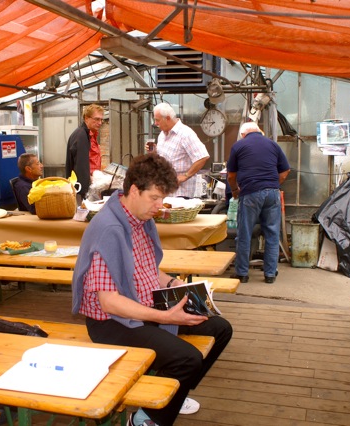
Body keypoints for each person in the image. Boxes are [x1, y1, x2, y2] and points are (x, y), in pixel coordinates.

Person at [72, 153, 233, 426]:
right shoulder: (108, 229)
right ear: (134, 190)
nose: (159, 206)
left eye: (162, 198)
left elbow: (149, 269)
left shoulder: (139, 219)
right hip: (112, 322)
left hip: (144, 306)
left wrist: (174, 284)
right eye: (155, 198)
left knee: (220, 329)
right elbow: (109, 302)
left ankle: (174, 393)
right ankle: (145, 418)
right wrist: (166, 316)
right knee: (188, 359)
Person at [226, 121, 290, 284]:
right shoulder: (273, 145)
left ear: (243, 134)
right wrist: (273, 184)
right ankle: (270, 274)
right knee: (272, 234)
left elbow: (231, 175)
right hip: (273, 193)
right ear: (258, 131)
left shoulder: (239, 146)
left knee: (244, 234)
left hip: (250, 193)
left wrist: (234, 190)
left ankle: (242, 274)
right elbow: (285, 170)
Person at [153, 103, 210, 198]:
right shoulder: (162, 135)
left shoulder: (185, 134)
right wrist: (154, 151)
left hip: (181, 193)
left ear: (167, 118)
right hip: (165, 192)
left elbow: (203, 156)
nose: (155, 123)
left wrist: (185, 176)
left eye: (157, 120)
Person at [65, 104, 104, 201]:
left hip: (89, 185)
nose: (100, 123)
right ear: (86, 118)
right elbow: (81, 166)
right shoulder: (81, 135)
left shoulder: (88, 134)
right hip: (83, 189)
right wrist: (85, 193)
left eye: (101, 120)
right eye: (97, 119)